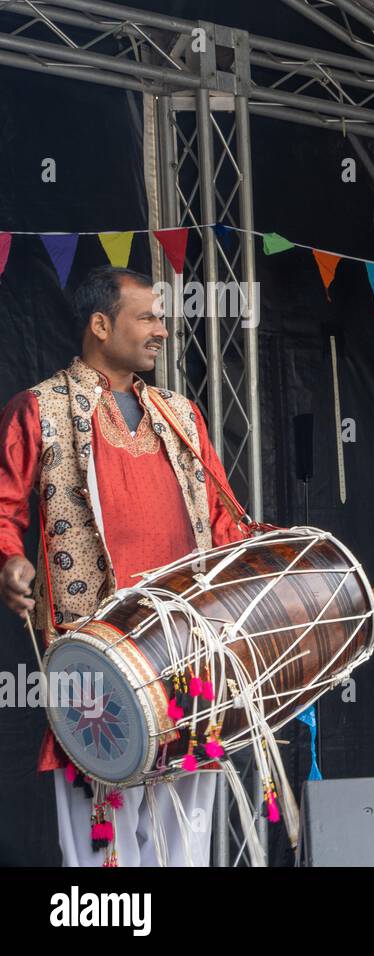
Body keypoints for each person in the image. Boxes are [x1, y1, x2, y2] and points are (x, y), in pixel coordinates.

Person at [0, 266, 250, 866]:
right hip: (97, 654)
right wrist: (9, 559)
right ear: (100, 325)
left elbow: (224, 519)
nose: (162, 330)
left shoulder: (181, 415)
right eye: (148, 318)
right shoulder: (39, 408)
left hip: (188, 648)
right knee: (102, 843)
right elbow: (3, 507)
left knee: (185, 835)